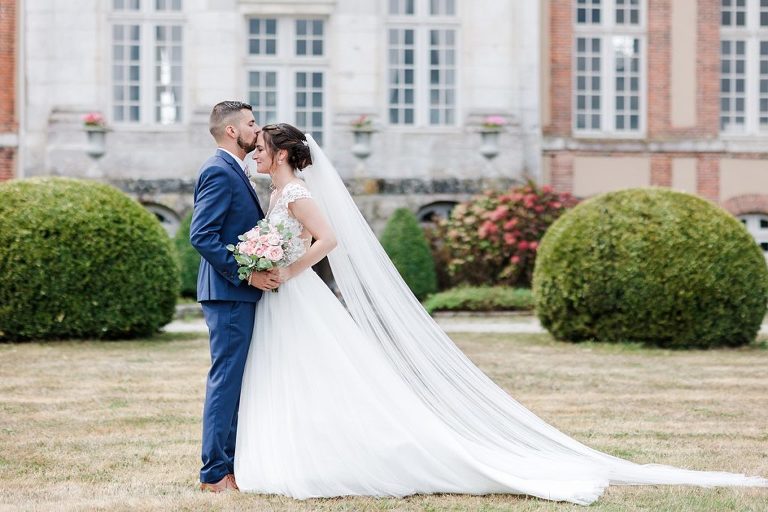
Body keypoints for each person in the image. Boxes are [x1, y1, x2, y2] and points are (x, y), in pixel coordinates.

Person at [232, 123, 767, 505]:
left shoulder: (297, 191)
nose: (254, 153)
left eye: (260, 148)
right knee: (294, 374)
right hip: (285, 297)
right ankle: (297, 449)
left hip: (296, 292)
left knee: (320, 371)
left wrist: (288, 269)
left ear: (281, 154)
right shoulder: (275, 193)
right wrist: (265, 260)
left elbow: (329, 238)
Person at [190, 101, 281, 493]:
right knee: (226, 381)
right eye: (250, 123)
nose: (256, 130)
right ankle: (214, 474)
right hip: (228, 293)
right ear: (232, 131)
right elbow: (202, 235)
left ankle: (231, 465)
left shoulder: (234, 171)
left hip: (235, 293)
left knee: (235, 380)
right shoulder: (217, 170)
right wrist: (248, 272)